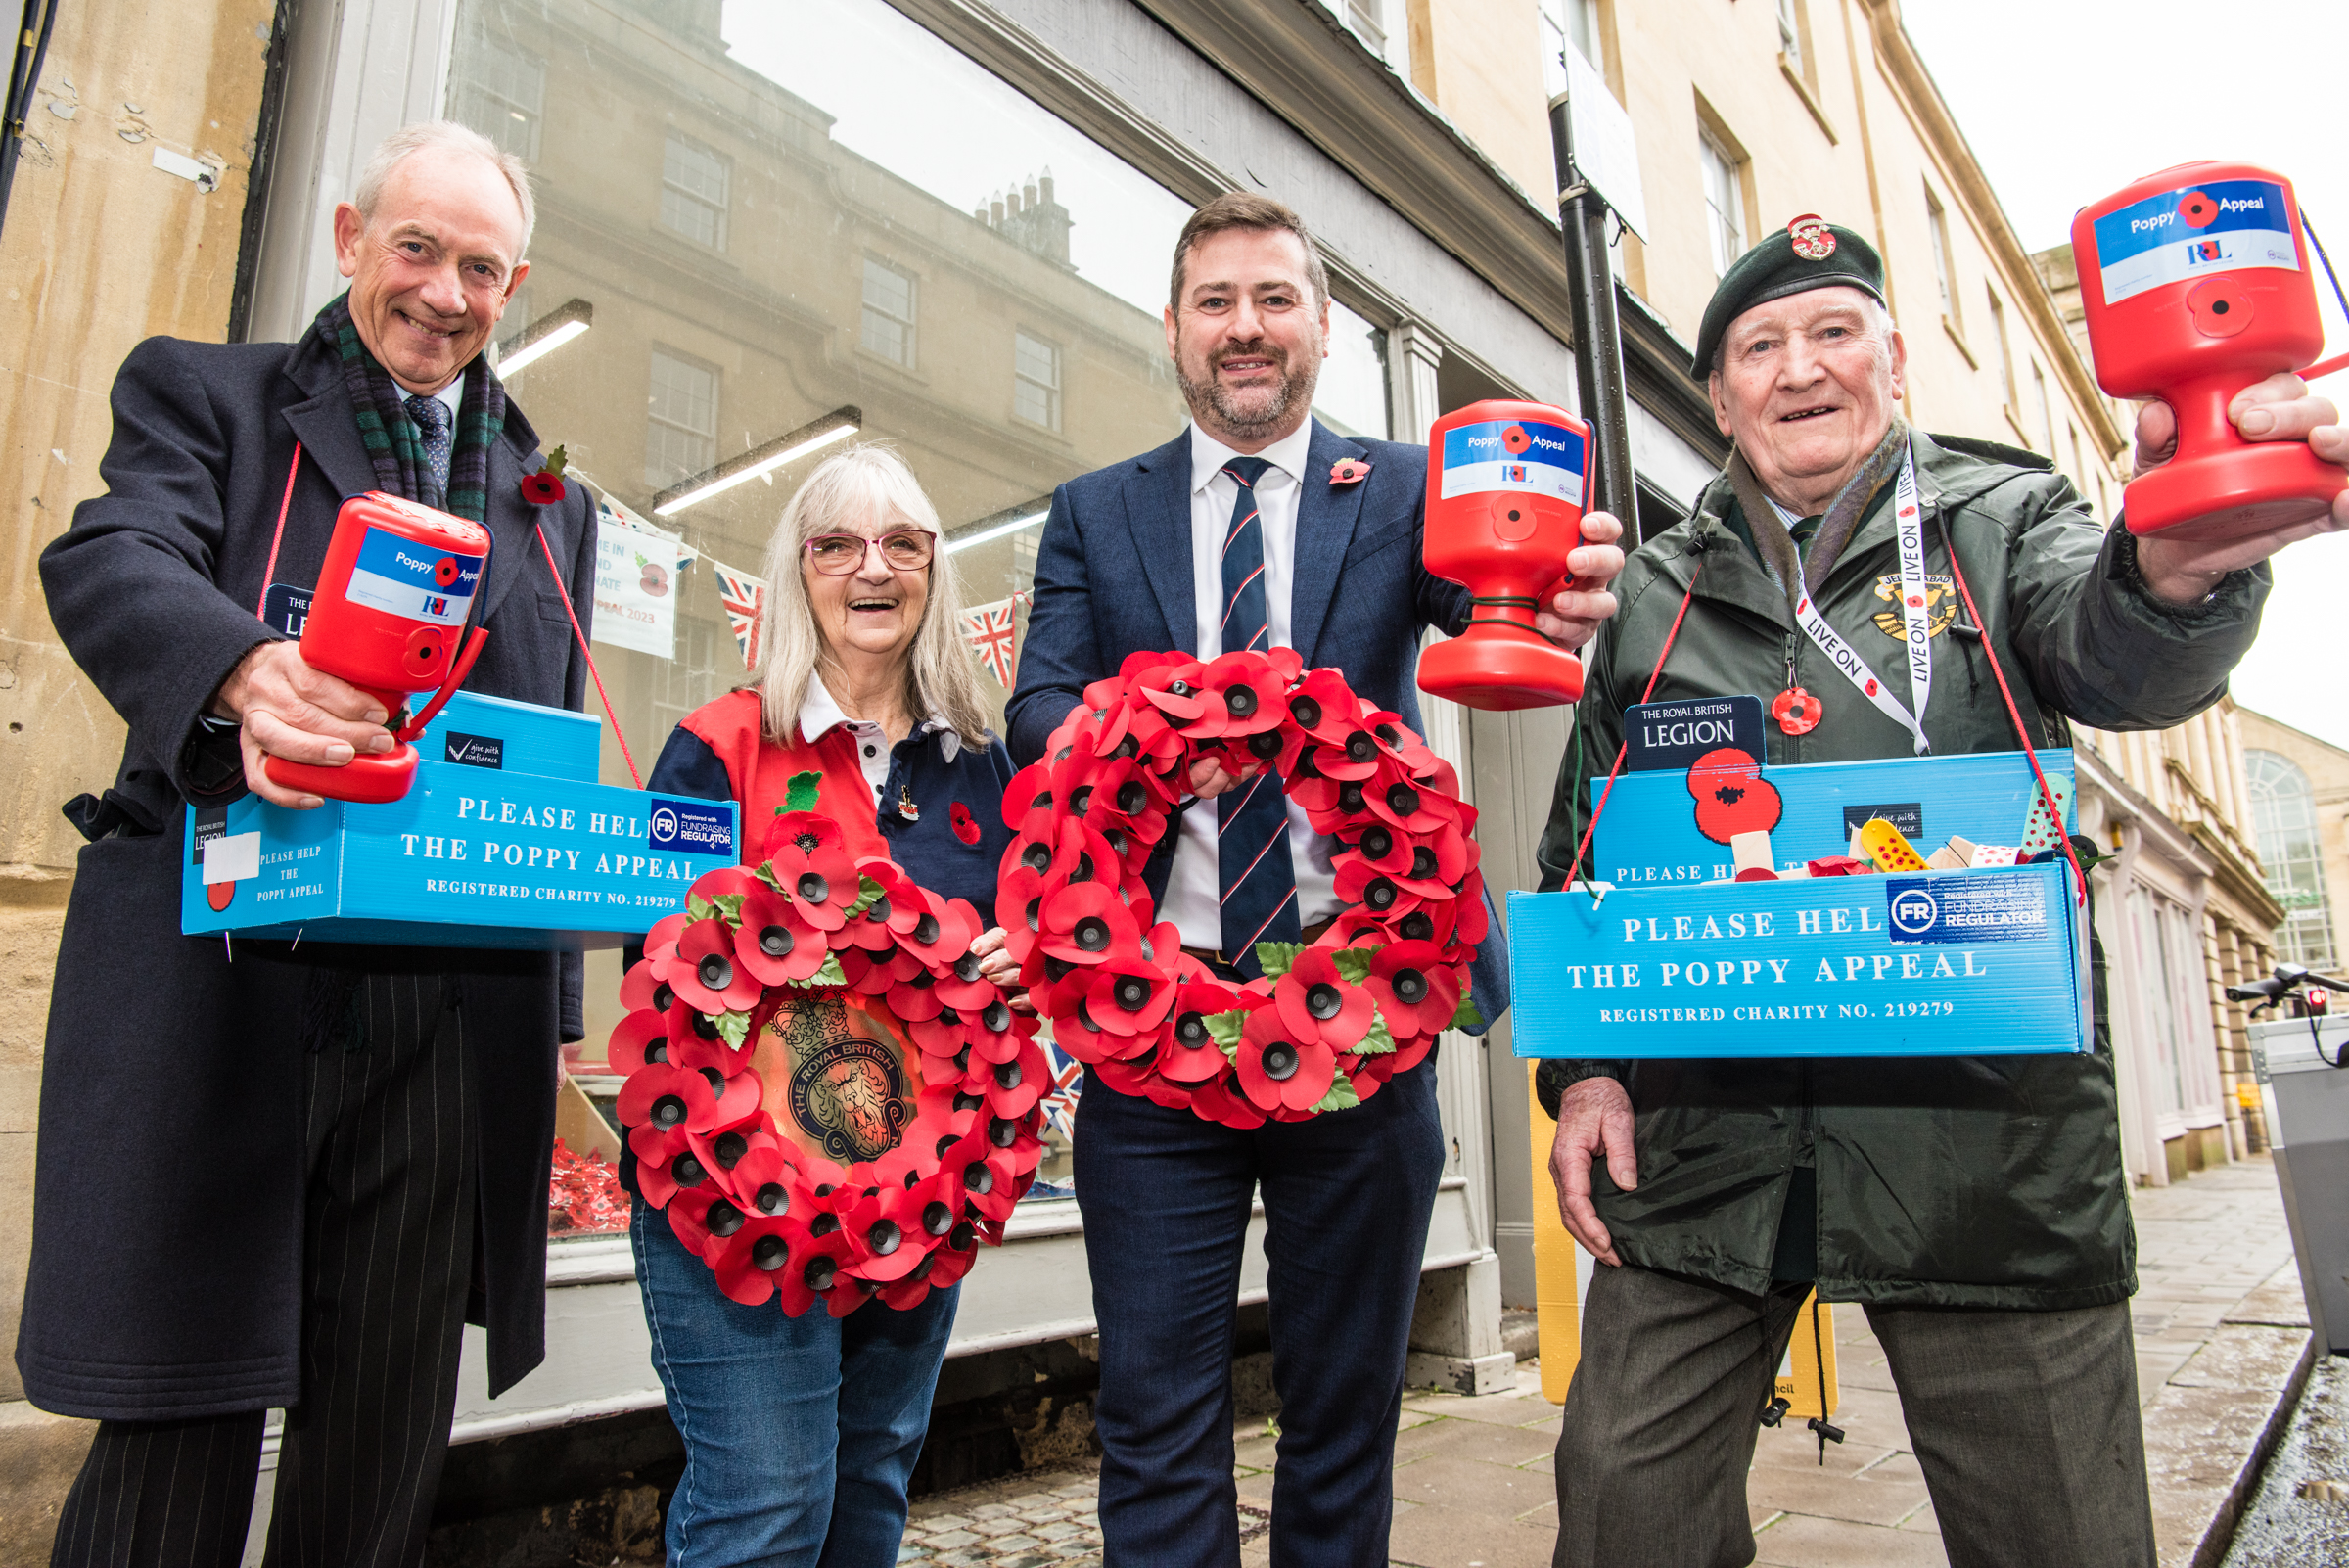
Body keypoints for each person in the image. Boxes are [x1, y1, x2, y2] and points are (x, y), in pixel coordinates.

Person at [1533, 214, 2349, 1568]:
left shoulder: (2003, 517)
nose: (1801, 368)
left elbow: (2116, 655)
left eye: (1835, 330)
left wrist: (2180, 563)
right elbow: (1584, 847)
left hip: (1980, 1137)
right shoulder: (1652, 590)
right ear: (1721, 393)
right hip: (1700, 1142)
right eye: (1761, 345)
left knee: (2058, 1534)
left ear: (1894, 360)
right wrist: (1590, 1071)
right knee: (1623, 1506)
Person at [1006, 191, 1627, 1567]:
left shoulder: (1408, 490)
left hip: (1364, 1025)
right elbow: (1039, 712)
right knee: (1155, 1416)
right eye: (1217, 301)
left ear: (1324, 328)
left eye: (1275, 299)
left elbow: (1499, 600)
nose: (1246, 328)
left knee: (1345, 1418)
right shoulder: (1095, 513)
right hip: (1155, 1041)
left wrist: (1565, 586)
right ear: (1171, 328)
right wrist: (1166, 735)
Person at [22, 121, 599, 1567]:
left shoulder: (552, 496)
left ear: (513, 283)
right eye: (418, 250)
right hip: (234, 977)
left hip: (447, 1006)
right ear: (351, 239)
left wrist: (564, 1017)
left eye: (482, 268)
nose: (446, 295)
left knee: (380, 1448)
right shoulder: (207, 397)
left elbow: (550, 727)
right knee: (179, 1429)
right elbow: (110, 556)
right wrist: (239, 671)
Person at [627, 443, 1024, 1566]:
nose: (873, 569)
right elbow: (647, 962)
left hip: (915, 1201)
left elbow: (1019, 963)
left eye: (904, 544)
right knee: (765, 1510)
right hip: (734, 1206)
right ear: (798, 570)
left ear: (936, 572)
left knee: (867, 1495)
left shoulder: (981, 770)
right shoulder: (715, 746)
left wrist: (1013, 968)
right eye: (838, 544)